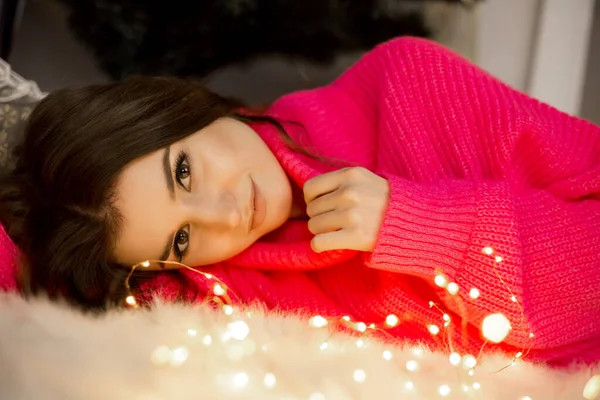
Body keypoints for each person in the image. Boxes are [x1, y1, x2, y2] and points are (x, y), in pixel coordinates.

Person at [0, 37, 599, 366]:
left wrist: (418, 226)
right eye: (181, 237)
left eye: (184, 172)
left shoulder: (407, 86)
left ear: (179, 106)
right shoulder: (208, 283)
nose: (224, 215)